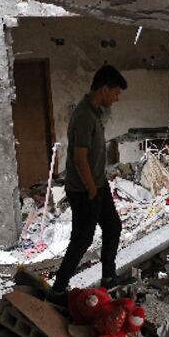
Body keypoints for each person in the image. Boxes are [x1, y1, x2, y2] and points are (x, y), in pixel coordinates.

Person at [49, 64, 128, 299]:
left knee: (112, 227)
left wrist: (98, 185)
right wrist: (92, 189)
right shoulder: (84, 116)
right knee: (82, 239)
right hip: (84, 189)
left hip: (98, 185)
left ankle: (108, 278)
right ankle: (58, 288)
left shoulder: (94, 112)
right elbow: (79, 158)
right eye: (115, 93)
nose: (116, 99)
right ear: (104, 89)